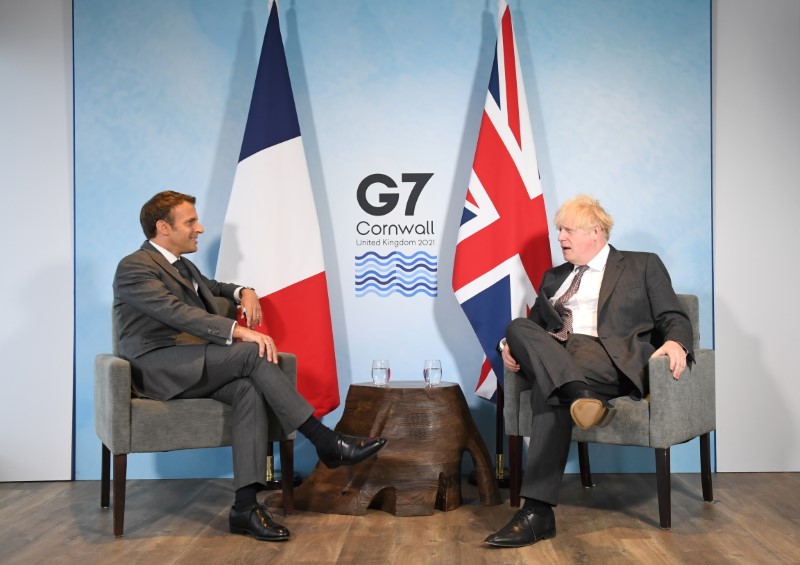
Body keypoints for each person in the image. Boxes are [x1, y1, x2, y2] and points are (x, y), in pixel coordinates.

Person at [113, 190, 387, 542]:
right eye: (190, 221)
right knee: (249, 352)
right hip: (157, 367)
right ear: (163, 227)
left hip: (192, 364)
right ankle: (325, 441)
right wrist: (237, 330)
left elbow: (213, 288)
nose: (200, 227)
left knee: (246, 390)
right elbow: (173, 311)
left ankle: (244, 507)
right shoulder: (135, 266)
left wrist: (245, 290)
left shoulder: (181, 264)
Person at [484, 194, 693, 548]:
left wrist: (677, 343)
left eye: (567, 230)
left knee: (556, 373)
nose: (560, 237)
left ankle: (537, 514)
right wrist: (509, 349)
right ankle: (578, 395)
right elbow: (532, 331)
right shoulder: (554, 277)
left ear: (595, 231)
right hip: (563, 362)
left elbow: (672, 315)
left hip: (610, 360)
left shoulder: (641, 265)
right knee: (516, 327)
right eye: (558, 230)